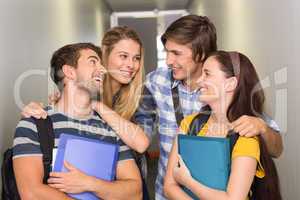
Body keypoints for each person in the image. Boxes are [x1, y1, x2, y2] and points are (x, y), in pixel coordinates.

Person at [133, 15, 283, 199]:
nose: (169, 61)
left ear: (201, 53)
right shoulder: (156, 81)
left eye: (177, 53)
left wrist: (261, 127)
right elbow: (141, 136)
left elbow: (277, 149)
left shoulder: (226, 89)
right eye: (167, 52)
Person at [21, 26, 150, 199]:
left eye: (136, 58)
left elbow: (141, 144)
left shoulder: (140, 96)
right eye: (123, 56)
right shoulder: (85, 89)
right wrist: (34, 114)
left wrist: (95, 105)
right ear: (106, 58)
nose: (131, 65)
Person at [164, 51, 282, 200]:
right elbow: (169, 186)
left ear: (230, 83)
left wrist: (187, 181)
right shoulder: (189, 124)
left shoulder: (246, 134)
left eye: (207, 74)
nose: (199, 81)